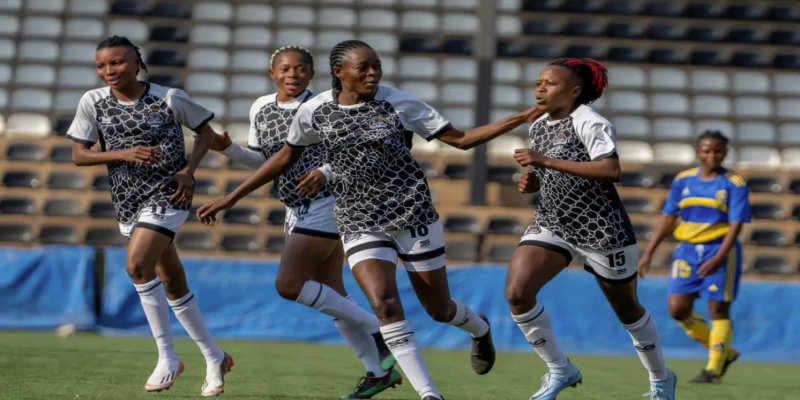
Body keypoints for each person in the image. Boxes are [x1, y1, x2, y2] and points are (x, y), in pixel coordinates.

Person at [197, 39, 542, 400]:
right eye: (364, 67)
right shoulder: (314, 110)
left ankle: (478, 327)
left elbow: (462, 140)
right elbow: (282, 158)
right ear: (339, 72)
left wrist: (520, 117)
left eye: (376, 65)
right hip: (355, 217)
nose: (373, 73)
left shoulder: (397, 101)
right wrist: (230, 197)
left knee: (439, 309)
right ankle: (429, 394)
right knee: (384, 303)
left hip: (410, 212)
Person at [206, 45, 400, 399]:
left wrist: (326, 171)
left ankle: (378, 328)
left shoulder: (326, 105)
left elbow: (354, 153)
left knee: (289, 284)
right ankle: (377, 372)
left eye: (300, 69)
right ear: (272, 73)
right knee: (332, 295)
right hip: (295, 207)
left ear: (312, 74)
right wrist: (228, 149)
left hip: (332, 200)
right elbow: (267, 164)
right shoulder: (261, 108)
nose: (292, 75)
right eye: (284, 69)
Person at [66, 36, 232, 397]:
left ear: (137, 62)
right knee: (172, 283)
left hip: (169, 195)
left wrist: (188, 172)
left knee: (138, 266)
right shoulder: (92, 101)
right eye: (102, 65)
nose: (109, 70)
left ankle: (167, 357)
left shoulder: (169, 97)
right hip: (127, 203)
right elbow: (79, 155)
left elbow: (205, 132)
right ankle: (215, 356)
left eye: (118, 62)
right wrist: (123, 154)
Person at [509, 58, 677, 400]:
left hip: (600, 228)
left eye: (550, 84)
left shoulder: (590, 121)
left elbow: (610, 170)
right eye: (539, 82)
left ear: (574, 91)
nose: (540, 88)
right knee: (517, 293)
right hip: (553, 221)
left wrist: (544, 162)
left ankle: (661, 379)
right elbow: (548, 173)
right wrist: (533, 181)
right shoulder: (539, 124)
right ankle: (560, 370)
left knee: (627, 309)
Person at [638, 130, 749, 384]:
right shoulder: (683, 180)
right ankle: (725, 352)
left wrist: (719, 257)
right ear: (698, 153)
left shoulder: (734, 182)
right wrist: (649, 252)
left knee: (717, 308)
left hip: (720, 250)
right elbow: (669, 217)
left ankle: (713, 370)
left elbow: (736, 225)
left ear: (725, 153)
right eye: (707, 151)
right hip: (687, 251)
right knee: (678, 309)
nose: (712, 155)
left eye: (717, 151)